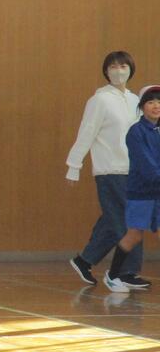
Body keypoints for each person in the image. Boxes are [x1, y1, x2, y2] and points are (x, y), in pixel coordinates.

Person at [66, 51, 147, 289]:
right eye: (113, 67)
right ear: (106, 71)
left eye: (123, 66)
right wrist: (74, 166)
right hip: (110, 170)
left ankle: (84, 260)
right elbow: (87, 132)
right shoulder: (99, 100)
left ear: (131, 70)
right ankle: (125, 272)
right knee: (127, 222)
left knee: (113, 219)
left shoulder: (135, 100)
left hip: (134, 170)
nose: (118, 71)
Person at [103, 86, 160, 292]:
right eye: (151, 102)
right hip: (141, 193)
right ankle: (112, 275)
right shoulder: (136, 132)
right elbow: (146, 164)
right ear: (142, 106)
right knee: (134, 235)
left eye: (159, 102)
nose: (156, 106)